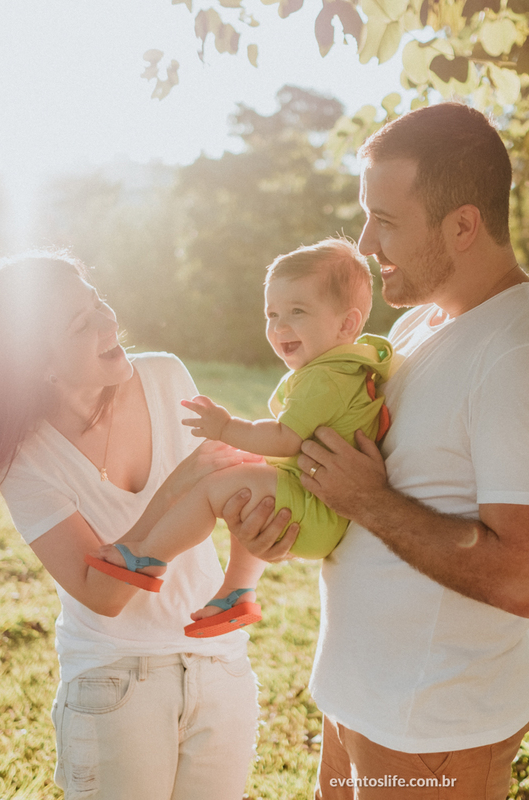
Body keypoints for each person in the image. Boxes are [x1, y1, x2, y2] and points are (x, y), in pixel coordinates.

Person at [228, 103, 529, 799]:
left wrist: (366, 501)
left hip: (435, 734)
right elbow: (364, 488)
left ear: (462, 225)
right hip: (360, 702)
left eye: (387, 221)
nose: (366, 243)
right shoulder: (417, 324)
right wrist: (293, 523)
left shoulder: (528, 354)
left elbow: (527, 579)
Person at [0, 252, 262, 800]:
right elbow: (102, 594)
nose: (109, 322)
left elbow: (231, 493)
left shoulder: (166, 375)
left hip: (219, 665)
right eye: (81, 324)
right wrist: (176, 488)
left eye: (97, 300)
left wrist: (259, 530)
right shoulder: (24, 456)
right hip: (116, 681)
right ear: (37, 364)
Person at [87, 238, 395, 639]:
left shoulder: (326, 379)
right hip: (319, 502)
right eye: (272, 314)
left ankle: (149, 555)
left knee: (216, 488)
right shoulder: (339, 367)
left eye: (297, 312)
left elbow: (285, 438)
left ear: (347, 324)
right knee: (244, 472)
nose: (280, 327)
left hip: (319, 506)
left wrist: (226, 428)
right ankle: (238, 591)